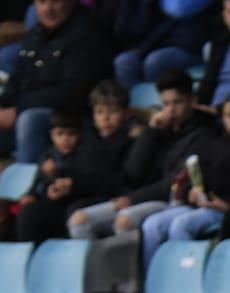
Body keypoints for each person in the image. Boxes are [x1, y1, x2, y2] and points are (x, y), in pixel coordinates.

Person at [72, 68, 209, 238]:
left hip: (171, 200)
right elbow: (134, 172)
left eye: (177, 102)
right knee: (79, 220)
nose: (171, 110)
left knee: (124, 221)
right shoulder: (160, 130)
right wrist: (150, 131)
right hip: (143, 196)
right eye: (166, 104)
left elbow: (174, 183)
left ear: (192, 100)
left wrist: (133, 199)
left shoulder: (202, 135)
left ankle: (127, 265)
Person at [139, 91, 230, 265]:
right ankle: (152, 280)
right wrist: (190, 192)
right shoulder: (211, 145)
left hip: (225, 208)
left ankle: (183, 278)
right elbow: (193, 175)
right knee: (152, 225)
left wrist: (227, 204)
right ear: (223, 118)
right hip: (200, 204)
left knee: (181, 225)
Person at [18, 81, 136, 242]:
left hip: (103, 198)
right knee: (30, 213)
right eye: (100, 112)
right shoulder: (87, 140)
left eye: (112, 112)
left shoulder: (131, 141)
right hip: (73, 197)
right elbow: (68, 170)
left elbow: (120, 180)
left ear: (126, 113)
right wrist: (50, 189)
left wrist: (74, 186)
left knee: (75, 211)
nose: (106, 118)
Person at [0, 0, 112, 160]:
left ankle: (34, 182)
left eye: (55, 2)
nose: (48, 9)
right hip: (28, 109)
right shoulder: (34, 35)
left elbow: (70, 93)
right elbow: (17, 78)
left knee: (30, 120)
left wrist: (17, 109)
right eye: (42, 2)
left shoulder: (87, 36)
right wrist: (4, 104)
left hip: (74, 119)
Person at [107, 0, 209, 88]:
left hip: (192, 47)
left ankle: (160, 106)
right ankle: (136, 108)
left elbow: (179, 10)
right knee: (124, 62)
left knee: (156, 62)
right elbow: (128, 30)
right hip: (154, 44)